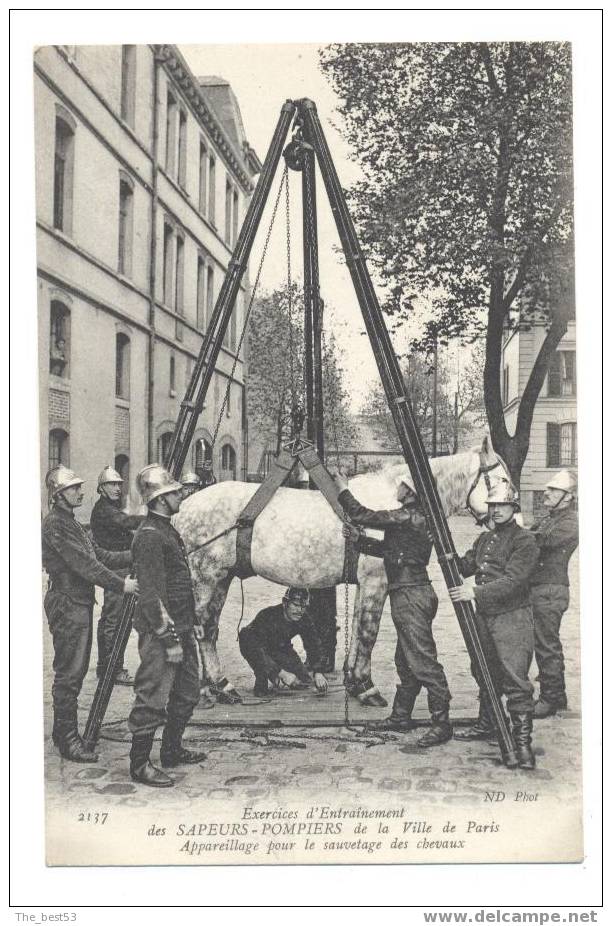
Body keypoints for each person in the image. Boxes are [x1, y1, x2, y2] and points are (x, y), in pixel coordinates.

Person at [335, 474, 453, 748]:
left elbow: (360, 513)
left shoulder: (407, 516)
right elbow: (391, 550)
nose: (396, 488)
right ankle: (401, 715)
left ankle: (442, 722)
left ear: (410, 492)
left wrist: (343, 490)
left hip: (411, 595)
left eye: (401, 485)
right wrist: (360, 541)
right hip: (411, 593)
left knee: (423, 662)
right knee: (406, 661)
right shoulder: (414, 519)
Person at [42, 465, 139, 763]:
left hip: (78, 602)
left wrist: (138, 552)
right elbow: (86, 565)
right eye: (73, 488)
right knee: (70, 673)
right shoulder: (56, 525)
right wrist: (121, 584)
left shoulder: (73, 523)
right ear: (58, 495)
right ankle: (69, 738)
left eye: (79, 487)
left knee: (76, 670)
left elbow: (102, 556)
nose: (80, 491)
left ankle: (63, 733)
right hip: (67, 603)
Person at [449, 481, 539, 770]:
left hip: (512, 617)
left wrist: (473, 592)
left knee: (515, 679)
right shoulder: (486, 539)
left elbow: (514, 581)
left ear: (514, 507)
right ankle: (488, 724)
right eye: (492, 506)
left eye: (502, 505)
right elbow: (466, 566)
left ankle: (522, 744)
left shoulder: (524, 540)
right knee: (483, 670)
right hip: (484, 617)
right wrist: (443, 546)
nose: (496, 510)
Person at [127, 464, 206, 788]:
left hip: (183, 627)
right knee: (152, 698)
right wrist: (170, 639)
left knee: (187, 693)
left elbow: (180, 584)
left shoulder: (166, 530)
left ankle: (171, 750)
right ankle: (139, 764)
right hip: (162, 634)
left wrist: (193, 623)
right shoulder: (148, 537)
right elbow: (151, 595)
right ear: (160, 500)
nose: (180, 496)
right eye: (174, 493)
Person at [529, 470, 579, 718]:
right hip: (540, 588)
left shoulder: (571, 522)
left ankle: (550, 697)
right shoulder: (549, 518)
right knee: (543, 642)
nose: (546, 493)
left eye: (553, 490)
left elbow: (541, 542)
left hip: (551, 589)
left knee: (546, 645)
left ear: (568, 497)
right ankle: (557, 696)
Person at [90, 465, 145, 685]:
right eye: (111, 484)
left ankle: (106, 667)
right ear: (101, 488)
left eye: (118, 484)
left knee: (110, 620)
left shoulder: (108, 507)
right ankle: (113, 670)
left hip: (116, 567)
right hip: (116, 569)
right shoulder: (104, 509)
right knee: (116, 620)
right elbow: (127, 522)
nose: (116, 488)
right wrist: (153, 517)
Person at [238, 588, 329, 698]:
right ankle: (264, 676)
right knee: (262, 689)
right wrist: (281, 673)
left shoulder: (304, 618)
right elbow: (256, 649)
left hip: (280, 647)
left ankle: (276, 676)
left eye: (303, 606)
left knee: (303, 682)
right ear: (285, 603)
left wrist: (318, 671)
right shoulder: (267, 616)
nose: (299, 610)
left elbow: (313, 644)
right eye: (295, 605)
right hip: (255, 648)